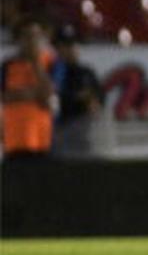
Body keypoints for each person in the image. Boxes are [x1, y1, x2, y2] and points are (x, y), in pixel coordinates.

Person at [2, 19, 55, 159]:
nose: (32, 41)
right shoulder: (8, 65)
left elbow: (48, 95)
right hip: (14, 140)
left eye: (36, 36)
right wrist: (30, 94)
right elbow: (3, 96)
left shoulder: (50, 62)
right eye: (27, 36)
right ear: (18, 39)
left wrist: (36, 63)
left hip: (42, 140)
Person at [50, 26, 104, 158]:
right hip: (58, 135)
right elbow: (54, 102)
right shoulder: (53, 71)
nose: (71, 49)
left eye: (73, 44)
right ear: (57, 49)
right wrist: (77, 97)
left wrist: (91, 100)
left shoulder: (86, 72)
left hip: (84, 134)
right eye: (66, 45)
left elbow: (98, 99)